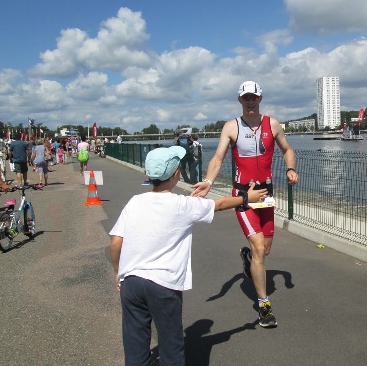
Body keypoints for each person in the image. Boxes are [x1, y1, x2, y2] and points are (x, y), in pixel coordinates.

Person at [109, 146, 267, 366]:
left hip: (131, 282)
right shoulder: (182, 204)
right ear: (175, 175)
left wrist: (118, 272)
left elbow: (116, 242)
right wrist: (246, 197)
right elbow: (219, 204)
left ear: (149, 176)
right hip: (163, 284)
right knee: (171, 345)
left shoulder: (135, 202)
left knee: (135, 343)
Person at [191, 80, 299, 328]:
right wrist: (208, 181)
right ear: (240, 100)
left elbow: (287, 149)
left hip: (266, 195)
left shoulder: (272, 124)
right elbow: (218, 158)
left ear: (260, 98)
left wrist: (291, 168)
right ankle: (264, 306)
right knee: (261, 250)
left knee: (265, 250)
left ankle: (248, 257)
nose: (250, 101)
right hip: (243, 196)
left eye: (254, 97)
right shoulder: (231, 127)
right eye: (245, 97)